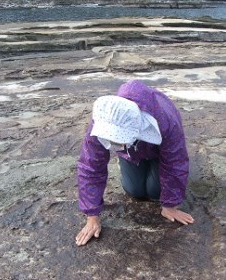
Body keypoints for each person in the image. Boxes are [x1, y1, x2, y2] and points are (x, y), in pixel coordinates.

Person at [75, 80, 194, 246]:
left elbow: (176, 162)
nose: (115, 144)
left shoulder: (166, 120)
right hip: (131, 152)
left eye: (120, 139)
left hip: (159, 149)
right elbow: (90, 168)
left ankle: (154, 163)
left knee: (155, 192)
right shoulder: (102, 120)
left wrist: (170, 205)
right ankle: (135, 162)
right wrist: (92, 215)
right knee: (135, 191)